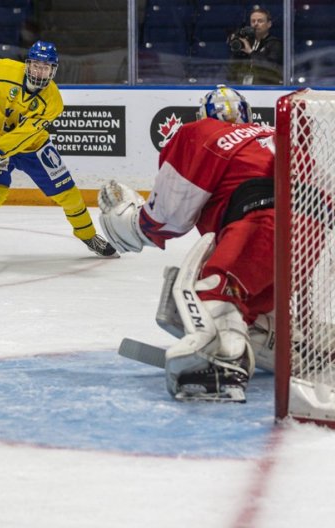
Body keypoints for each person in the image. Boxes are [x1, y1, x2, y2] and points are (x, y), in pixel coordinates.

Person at [98, 85, 276, 403]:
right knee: (254, 296)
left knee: (211, 290)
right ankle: (291, 342)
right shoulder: (271, 133)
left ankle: (220, 363)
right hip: (311, 235)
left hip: (262, 223)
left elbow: (169, 217)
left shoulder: (202, 132)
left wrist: (122, 220)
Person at [0, 40, 118, 264]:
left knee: (70, 195)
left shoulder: (53, 102)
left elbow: (24, 134)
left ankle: (87, 236)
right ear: (28, 64)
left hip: (34, 146)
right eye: (36, 65)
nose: (40, 71)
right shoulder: (8, 70)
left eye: (46, 67)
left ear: (53, 70)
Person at [227, 7, 283, 85]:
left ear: (269, 24)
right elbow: (230, 75)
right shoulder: (247, 42)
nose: (256, 24)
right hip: (244, 88)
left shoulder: (275, 44)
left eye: (260, 21)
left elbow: (272, 69)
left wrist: (251, 52)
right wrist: (236, 50)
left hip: (266, 90)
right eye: (253, 21)